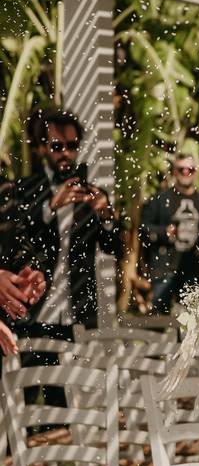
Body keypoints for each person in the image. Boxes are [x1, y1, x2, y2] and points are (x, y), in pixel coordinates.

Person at [6, 109, 121, 339]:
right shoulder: (24, 190)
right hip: (34, 311)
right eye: (57, 146)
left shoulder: (92, 193)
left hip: (79, 312)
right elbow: (13, 242)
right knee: (32, 375)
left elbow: (114, 249)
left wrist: (106, 216)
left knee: (79, 375)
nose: (66, 153)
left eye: (72, 145)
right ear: (41, 148)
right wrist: (49, 208)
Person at [141, 153, 199, 313]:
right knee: (160, 322)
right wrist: (165, 232)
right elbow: (143, 226)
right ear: (174, 172)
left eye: (189, 170)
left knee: (194, 322)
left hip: (193, 270)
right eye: (181, 169)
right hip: (165, 268)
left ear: (195, 172)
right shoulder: (161, 198)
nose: (185, 173)